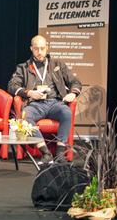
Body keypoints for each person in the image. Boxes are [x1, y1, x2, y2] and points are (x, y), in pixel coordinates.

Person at [7, 35, 82, 164]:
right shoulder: (23, 67)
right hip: (35, 104)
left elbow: (75, 82)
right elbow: (12, 86)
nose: (40, 52)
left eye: (42, 48)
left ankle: (59, 153)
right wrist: (29, 92)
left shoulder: (58, 64)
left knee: (66, 113)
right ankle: (45, 152)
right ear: (31, 49)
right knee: (25, 117)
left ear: (47, 48)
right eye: (36, 49)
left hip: (55, 103)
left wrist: (73, 94)